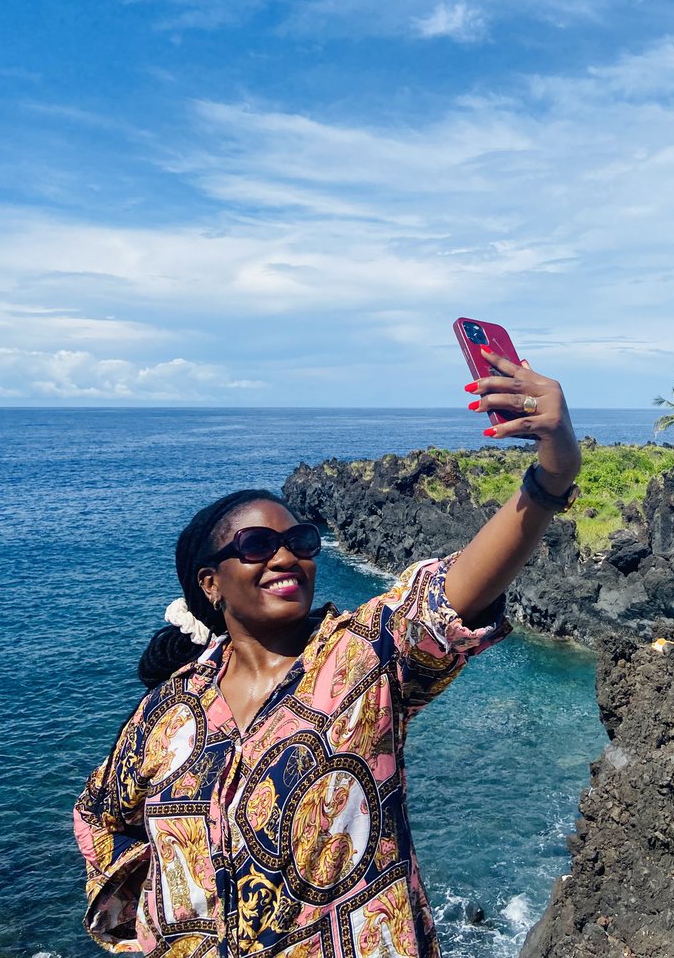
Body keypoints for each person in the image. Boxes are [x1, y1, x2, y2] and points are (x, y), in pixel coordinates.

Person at [74, 348, 582, 958]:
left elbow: (453, 593)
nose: (285, 556)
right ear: (210, 584)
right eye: (256, 545)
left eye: (300, 541)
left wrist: (552, 474)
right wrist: (149, 924)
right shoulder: (168, 711)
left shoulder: (360, 656)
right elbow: (97, 815)